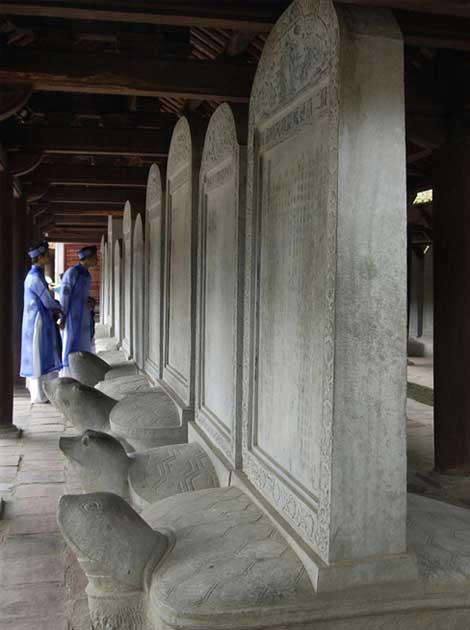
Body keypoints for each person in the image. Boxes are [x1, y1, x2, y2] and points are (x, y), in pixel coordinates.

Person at [20, 241, 63, 403]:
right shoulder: (35, 278)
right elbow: (47, 300)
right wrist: (59, 307)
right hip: (38, 320)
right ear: (40, 258)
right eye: (46, 256)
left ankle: (41, 392)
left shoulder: (34, 276)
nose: (48, 258)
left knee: (39, 353)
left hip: (37, 319)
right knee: (39, 354)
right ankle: (39, 394)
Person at [60, 245, 98, 376]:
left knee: (84, 345)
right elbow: (65, 296)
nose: (96, 260)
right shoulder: (72, 273)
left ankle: (81, 374)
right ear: (87, 258)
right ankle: (68, 375)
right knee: (71, 344)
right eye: (94, 257)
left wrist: (91, 301)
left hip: (84, 316)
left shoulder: (86, 274)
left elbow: (83, 295)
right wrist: (63, 316)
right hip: (72, 316)